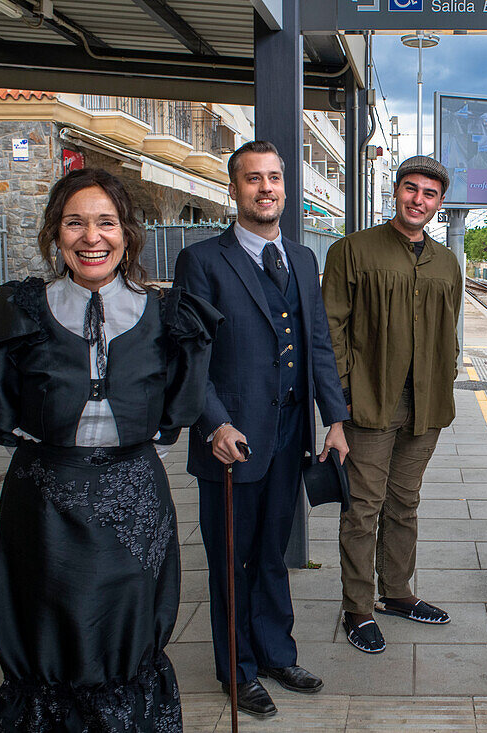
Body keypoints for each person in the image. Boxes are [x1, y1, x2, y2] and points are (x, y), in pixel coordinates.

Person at [0, 167, 222, 731]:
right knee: (47, 619)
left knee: (127, 625)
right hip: (43, 501)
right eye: (74, 223)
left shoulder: (167, 315)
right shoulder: (19, 309)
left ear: (126, 233)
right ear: (55, 234)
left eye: (106, 222)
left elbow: (184, 400)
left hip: (133, 498)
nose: (91, 237)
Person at [173, 140, 349, 718]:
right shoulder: (201, 261)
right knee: (232, 560)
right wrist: (214, 423)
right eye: (254, 179)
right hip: (232, 443)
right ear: (234, 189)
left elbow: (318, 343)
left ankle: (276, 651)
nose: (266, 188)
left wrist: (336, 419)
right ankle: (237, 670)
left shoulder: (300, 258)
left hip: (289, 436)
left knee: (272, 553)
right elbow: (190, 356)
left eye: (275, 178)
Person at [321, 155, 463, 654]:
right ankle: (357, 608)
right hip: (368, 403)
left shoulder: (447, 261)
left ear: (439, 203)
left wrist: (446, 374)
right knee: (363, 508)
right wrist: (336, 407)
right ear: (396, 192)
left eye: (429, 193)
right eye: (410, 189)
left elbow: (450, 330)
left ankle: (398, 594)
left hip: (426, 407)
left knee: (405, 502)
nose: (418, 200)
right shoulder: (352, 251)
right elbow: (330, 330)